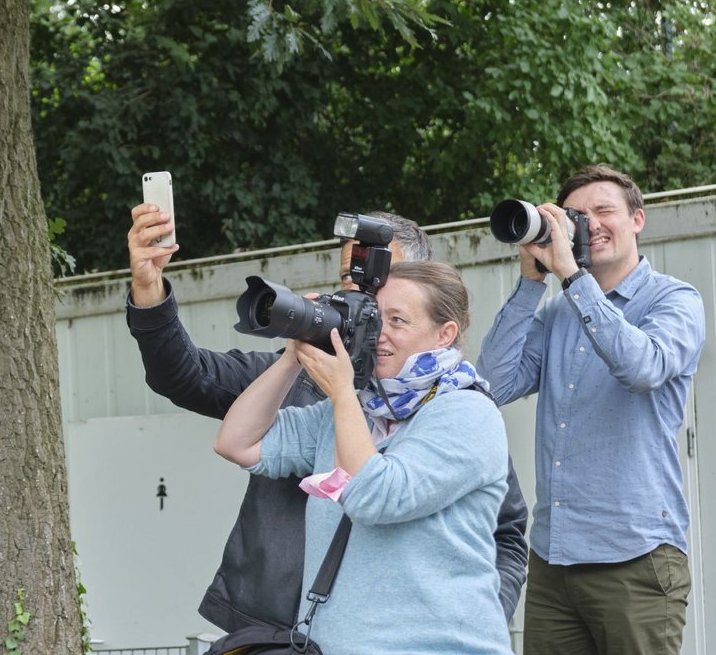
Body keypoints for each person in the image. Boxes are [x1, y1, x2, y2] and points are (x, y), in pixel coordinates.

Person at [125, 205, 529, 632]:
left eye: (374, 279)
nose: (360, 293)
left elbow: (505, 534)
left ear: (421, 279)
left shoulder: (457, 407)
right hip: (276, 624)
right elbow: (185, 378)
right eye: (348, 278)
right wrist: (148, 287)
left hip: (398, 632)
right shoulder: (304, 377)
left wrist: (478, 623)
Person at [214, 260, 511, 652]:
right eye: (373, 319)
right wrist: (293, 356)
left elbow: (376, 496)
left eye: (398, 321)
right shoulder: (357, 410)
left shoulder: (467, 413)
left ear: (445, 334)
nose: (378, 335)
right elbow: (237, 442)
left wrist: (340, 394)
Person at [477, 164, 704, 654]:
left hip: (637, 558)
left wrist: (573, 277)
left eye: (605, 211)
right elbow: (492, 385)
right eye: (576, 216)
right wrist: (531, 281)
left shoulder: (676, 300)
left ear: (637, 219)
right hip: (554, 560)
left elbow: (642, 367)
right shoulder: (560, 311)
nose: (592, 224)